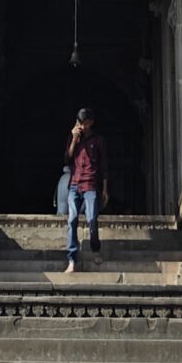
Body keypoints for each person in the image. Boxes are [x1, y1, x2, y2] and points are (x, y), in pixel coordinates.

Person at [63, 107, 105, 273]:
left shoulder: (99, 141)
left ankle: (95, 249)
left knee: (92, 219)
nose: (83, 126)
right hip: (75, 184)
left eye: (85, 123)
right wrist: (74, 139)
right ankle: (72, 258)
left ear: (91, 123)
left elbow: (104, 166)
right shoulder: (74, 138)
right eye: (81, 123)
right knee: (72, 219)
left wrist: (106, 189)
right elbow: (67, 159)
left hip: (91, 185)